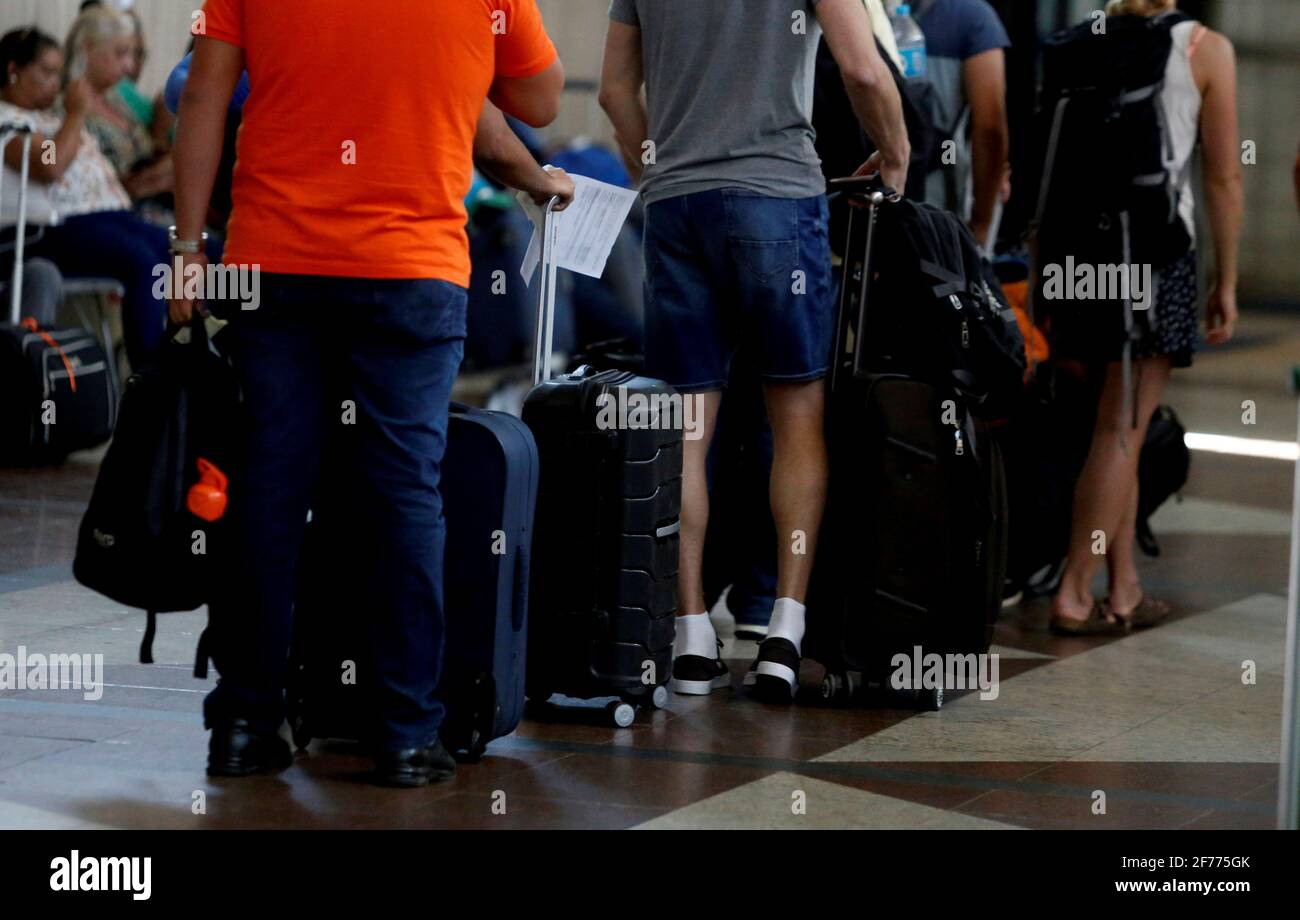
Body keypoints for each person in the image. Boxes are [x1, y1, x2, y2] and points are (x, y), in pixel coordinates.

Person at [169, 0, 568, 786]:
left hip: (274, 266)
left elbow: (203, 95)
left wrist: (187, 246)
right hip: (409, 272)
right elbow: (541, 99)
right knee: (403, 496)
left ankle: (246, 723)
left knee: (269, 491)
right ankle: (405, 733)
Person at [599, 0, 910, 702]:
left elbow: (616, 90)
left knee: (685, 430)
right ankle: (782, 630)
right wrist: (895, 154)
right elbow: (862, 67)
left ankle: (689, 635)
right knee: (797, 418)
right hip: (777, 197)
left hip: (678, 206)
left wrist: (657, 163)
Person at [1049, 0, 1241, 635]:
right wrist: (1227, 279)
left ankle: (1123, 585)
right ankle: (1075, 593)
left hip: (1076, 257)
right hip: (1156, 259)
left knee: (1112, 425)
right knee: (1122, 429)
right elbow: (1222, 176)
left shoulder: (1081, 40)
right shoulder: (1203, 47)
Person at [0, 26, 210, 369]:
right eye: (47, 72)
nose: (57, 82)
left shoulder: (46, 116)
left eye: (58, 72)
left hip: (107, 218)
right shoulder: (8, 119)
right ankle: (151, 378)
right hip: (46, 234)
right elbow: (49, 165)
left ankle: (213, 360)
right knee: (147, 263)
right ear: (13, 72)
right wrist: (77, 114)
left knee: (196, 252)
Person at [910, 0, 1011, 250]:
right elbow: (989, 128)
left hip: (867, 200)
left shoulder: (866, 10)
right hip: (939, 208)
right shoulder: (973, 17)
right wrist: (981, 224)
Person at [67, 6, 173, 207]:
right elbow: (52, 168)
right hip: (110, 212)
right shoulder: (64, 108)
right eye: (120, 53)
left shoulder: (120, 101)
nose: (130, 66)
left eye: (133, 55)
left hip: (150, 204)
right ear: (88, 50)